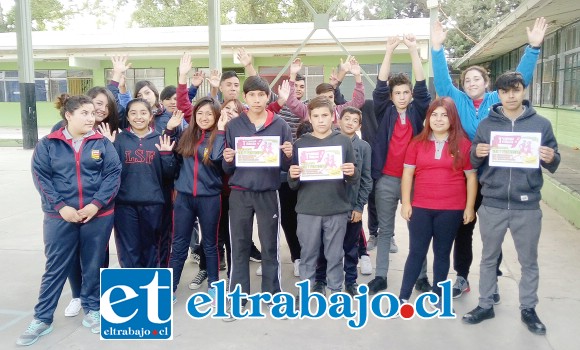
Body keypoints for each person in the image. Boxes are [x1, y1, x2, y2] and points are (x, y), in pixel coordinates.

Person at [431, 17, 547, 299]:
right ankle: (462, 277)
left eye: (476, 79)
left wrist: (533, 48)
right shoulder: (457, 101)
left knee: (492, 235)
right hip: (467, 176)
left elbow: (520, 80)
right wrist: (436, 49)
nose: (471, 83)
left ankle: (491, 280)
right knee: (464, 227)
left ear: (486, 83)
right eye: (467, 79)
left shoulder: (499, 98)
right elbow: (443, 82)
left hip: (497, 177)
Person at [18, 94, 121, 346]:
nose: (91, 117)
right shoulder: (48, 144)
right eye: (84, 113)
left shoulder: (102, 143)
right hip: (59, 217)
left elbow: (113, 174)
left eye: (92, 113)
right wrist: (61, 207)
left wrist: (95, 205)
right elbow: (42, 178)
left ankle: (92, 309)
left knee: (93, 264)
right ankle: (42, 318)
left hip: (97, 216)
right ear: (68, 116)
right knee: (56, 267)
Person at [462, 71, 560, 335]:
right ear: (499, 94)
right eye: (505, 92)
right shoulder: (487, 125)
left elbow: (554, 161)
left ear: (523, 91)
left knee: (528, 260)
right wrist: (477, 152)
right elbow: (473, 161)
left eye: (516, 90)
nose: (511, 96)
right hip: (492, 203)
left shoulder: (540, 125)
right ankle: (485, 304)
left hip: (526, 205)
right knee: (488, 258)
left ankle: (528, 308)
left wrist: (551, 156)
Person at [222, 76, 293, 320]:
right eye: (251, 95)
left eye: (261, 95)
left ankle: (272, 296)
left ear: (267, 97)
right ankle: (238, 298)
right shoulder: (234, 125)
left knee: (270, 246)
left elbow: (286, 164)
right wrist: (228, 158)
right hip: (240, 193)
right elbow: (227, 167)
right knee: (239, 247)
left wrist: (288, 154)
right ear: (245, 98)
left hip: (268, 193)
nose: (256, 99)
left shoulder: (280, 125)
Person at [398, 97, 477, 308]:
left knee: (442, 253)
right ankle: (403, 296)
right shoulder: (416, 143)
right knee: (416, 251)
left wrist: (469, 207)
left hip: (451, 209)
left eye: (444, 115)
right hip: (421, 207)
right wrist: (406, 203)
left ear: (452, 118)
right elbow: (407, 174)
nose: (439, 119)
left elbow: (471, 177)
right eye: (434, 114)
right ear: (428, 117)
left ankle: (438, 296)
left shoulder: (463, 144)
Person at [368, 34, 431, 295]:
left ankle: (422, 276)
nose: (403, 96)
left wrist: (414, 50)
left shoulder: (418, 111)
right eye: (398, 93)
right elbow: (381, 83)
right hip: (387, 180)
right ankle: (381, 275)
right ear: (391, 97)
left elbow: (421, 84)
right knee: (385, 230)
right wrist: (389, 51)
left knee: (417, 230)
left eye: (406, 92)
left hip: (415, 181)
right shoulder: (386, 111)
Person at [289, 96, 358, 295]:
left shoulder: (343, 142)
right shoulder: (301, 144)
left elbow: (354, 178)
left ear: (333, 117)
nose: (320, 120)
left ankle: (336, 291)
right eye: (316, 116)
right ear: (309, 118)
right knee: (308, 254)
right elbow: (294, 184)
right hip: (308, 209)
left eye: (325, 115)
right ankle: (305, 292)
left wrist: (351, 171)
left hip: (336, 208)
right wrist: (293, 176)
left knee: (335, 254)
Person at [170, 96, 227, 303]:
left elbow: (215, 158)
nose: (204, 117)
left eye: (209, 114)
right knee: (179, 245)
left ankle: (213, 284)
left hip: (209, 198)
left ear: (217, 116)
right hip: (184, 198)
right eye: (200, 113)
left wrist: (220, 132)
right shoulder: (186, 135)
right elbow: (173, 160)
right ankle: (170, 287)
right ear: (194, 116)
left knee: (210, 244)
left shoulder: (220, 136)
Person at [313, 106, 372, 296]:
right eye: (347, 118)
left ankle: (351, 281)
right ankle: (320, 281)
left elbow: (366, 179)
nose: (350, 123)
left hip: (351, 207)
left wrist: (359, 207)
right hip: (328, 205)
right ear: (338, 120)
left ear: (359, 125)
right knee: (322, 246)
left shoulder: (363, 147)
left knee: (350, 247)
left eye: (355, 121)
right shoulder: (329, 143)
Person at [112, 98, 176, 268]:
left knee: (153, 248)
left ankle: (153, 289)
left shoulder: (160, 139)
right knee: (128, 249)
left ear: (150, 117)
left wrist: (166, 155)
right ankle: (133, 289)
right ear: (127, 117)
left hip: (154, 204)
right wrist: (108, 146)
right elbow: (110, 172)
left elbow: (170, 174)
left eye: (143, 113)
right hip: (125, 205)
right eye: (133, 113)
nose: (138, 117)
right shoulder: (119, 140)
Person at [287, 56, 365, 124]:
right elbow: (292, 102)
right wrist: (293, 74)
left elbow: (358, 101)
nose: (328, 101)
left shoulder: (340, 111)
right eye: (324, 98)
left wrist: (357, 75)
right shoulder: (308, 111)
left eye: (330, 97)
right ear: (317, 98)